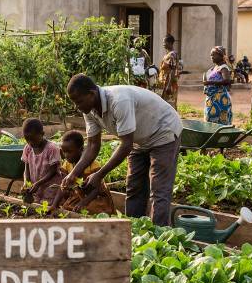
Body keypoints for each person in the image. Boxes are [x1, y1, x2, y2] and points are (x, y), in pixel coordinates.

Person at [63, 74, 182, 226]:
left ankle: (160, 238)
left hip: (163, 131)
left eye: (78, 101)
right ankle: (132, 232)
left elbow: (126, 145)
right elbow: (93, 145)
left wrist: (99, 174)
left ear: (91, 94)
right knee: (134, 187)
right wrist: (74, 174)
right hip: (139, 139)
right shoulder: (89, 111)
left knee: (159, 191)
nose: (76, 106)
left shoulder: (119, 100)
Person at [50, 130, 116, 215]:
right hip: (79, 195)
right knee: (67, 208)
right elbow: (63, 186)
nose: (66, 155)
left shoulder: (93, 165)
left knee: (94, 210)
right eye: (64, 151)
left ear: (81, 149)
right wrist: (54, 205)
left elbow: (97, 189)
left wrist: (84, 202)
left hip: (96, 196)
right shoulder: (67, 165)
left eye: (69, 151)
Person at [20, 118, 62, 204]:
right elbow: (26, 168)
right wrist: (26, 182)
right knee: (34, 204)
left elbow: (53, 171)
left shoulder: (52, 149)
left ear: (42, 134)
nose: (30, 142)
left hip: (50, 186)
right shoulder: (28, 148)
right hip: (36, 186)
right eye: (27, 139)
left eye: (33, 139)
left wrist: (38, 183)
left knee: (47, 205)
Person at [203, 46, 233, 125]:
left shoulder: (223, 67)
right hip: (212, 98)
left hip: (220, 99)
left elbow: (227, 81)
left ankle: (220, 135)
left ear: (221, 55)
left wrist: (210, 82)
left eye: (214, 55)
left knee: (219, 119)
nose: (211, 57)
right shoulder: (215, 68)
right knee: (210, 118)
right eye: (210, 55)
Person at [157, 34, 180, 108]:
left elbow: (173, 70)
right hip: (164, 82)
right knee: (164, 104)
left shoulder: (172, 55)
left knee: (169, 105)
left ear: (170, 43)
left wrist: (169, 85)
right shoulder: (168, 54)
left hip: (169, 83)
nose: (163, 44)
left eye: (165, 42)